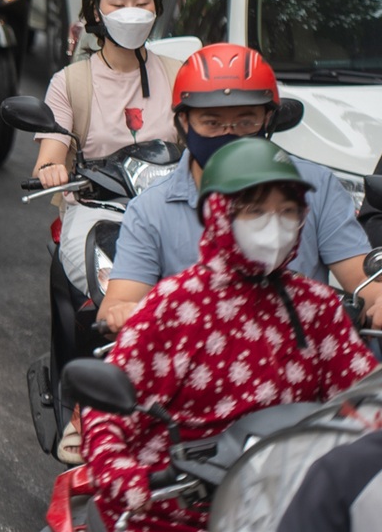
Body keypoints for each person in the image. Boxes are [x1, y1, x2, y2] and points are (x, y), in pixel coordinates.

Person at [83, 140, 378, 532]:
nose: (274, 225)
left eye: (287, 211)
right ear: (219, 213)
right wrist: (125, 476)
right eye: (256, 211)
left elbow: (364, 402)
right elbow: (107, 414)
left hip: (285, 507)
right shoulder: (175, 306)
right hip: (174, 509)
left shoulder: (317, 308)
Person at [99, 43, 382, 332]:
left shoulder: (316, 186)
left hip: (303, 358)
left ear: (267, 119)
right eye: (212, 122)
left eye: (245, 121)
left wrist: (378, 300)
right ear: (184, 122)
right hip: (198, 363)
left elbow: (363, 281)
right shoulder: (150, 209)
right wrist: (124, 312)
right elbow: (120, 300)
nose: (229, 133)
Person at [31, 0, 183, 291]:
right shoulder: (71, 83)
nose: (131, 11)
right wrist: (51, 169)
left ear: (157, 7)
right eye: (118, 2)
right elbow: (48, 159)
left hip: (174, 213)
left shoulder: (180, 77)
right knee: (117, 293)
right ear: (95, 11)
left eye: (142, 1)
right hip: (96, 213)